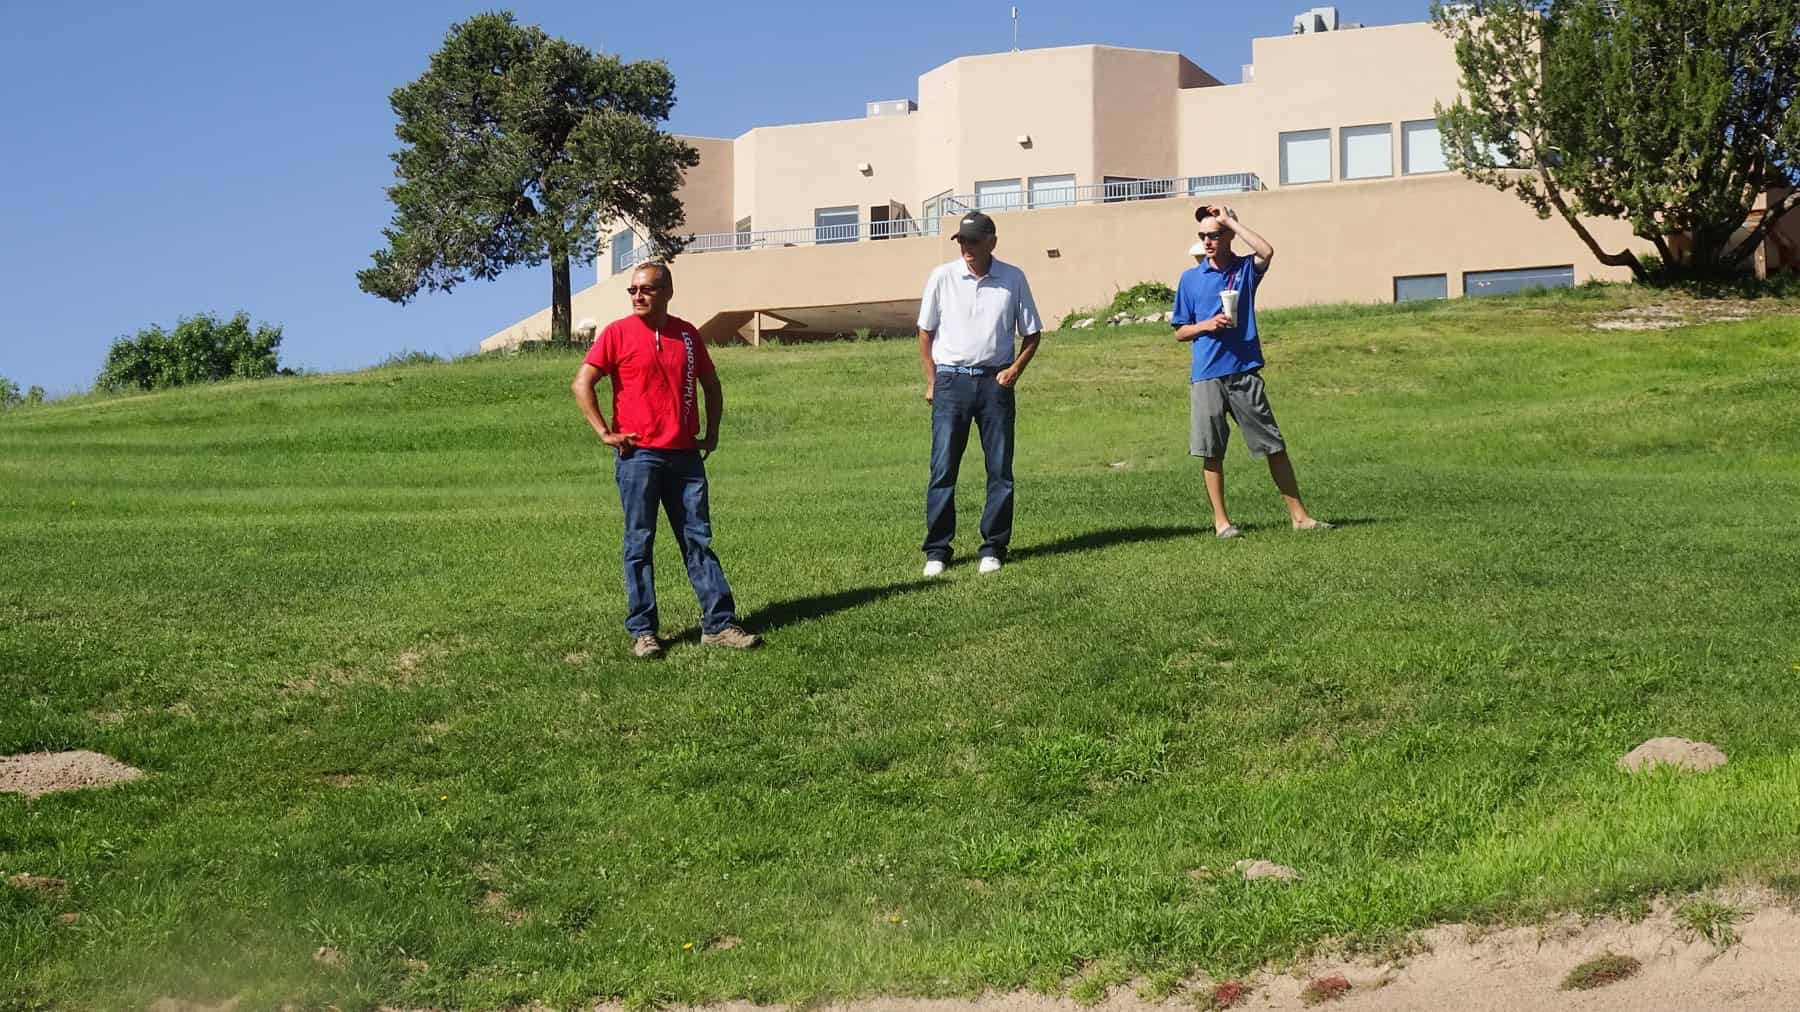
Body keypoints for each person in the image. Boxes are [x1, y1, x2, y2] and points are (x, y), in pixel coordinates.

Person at [572, 262, 760, 658]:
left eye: (647, 289)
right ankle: (644, 632)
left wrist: (712, 431)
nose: (638, 296)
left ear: (667, 292)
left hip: (685, 457)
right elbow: (582, 382)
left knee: (698, 541)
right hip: (638, 457)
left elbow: (711, 384)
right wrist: (605, 432)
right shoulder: (616, 334)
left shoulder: (687, 335)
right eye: (633, 290)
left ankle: (719, 625)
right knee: (639, 543)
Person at [1171, 204, 1330, 539]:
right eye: (1202, 236)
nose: (1207, 241)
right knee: (1211, 451)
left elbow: (1266, 251)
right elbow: (1180, 331)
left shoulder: (1244, 270)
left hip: (1244, 371)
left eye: (1215, 235)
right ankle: (1222, 523)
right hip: (1206, 375)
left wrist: (1230, 221)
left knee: (1273, 445)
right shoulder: (1190, 279)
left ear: (1228, 235)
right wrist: (1206, 325)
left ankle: (1300, 518)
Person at [916, 210, 1044, 576]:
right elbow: (925, 332)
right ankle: (937, 551)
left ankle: (993, 547)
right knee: (943, 468)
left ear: (992, 242)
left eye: (973, 241)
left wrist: (1014, 371)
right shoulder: (942, 277)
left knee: (1000, 469)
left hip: (994, 384)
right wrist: (932, 380)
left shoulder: (1012, 278)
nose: (967, 248)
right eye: (962, 241)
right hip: (951, 381)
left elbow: (1032, 333)